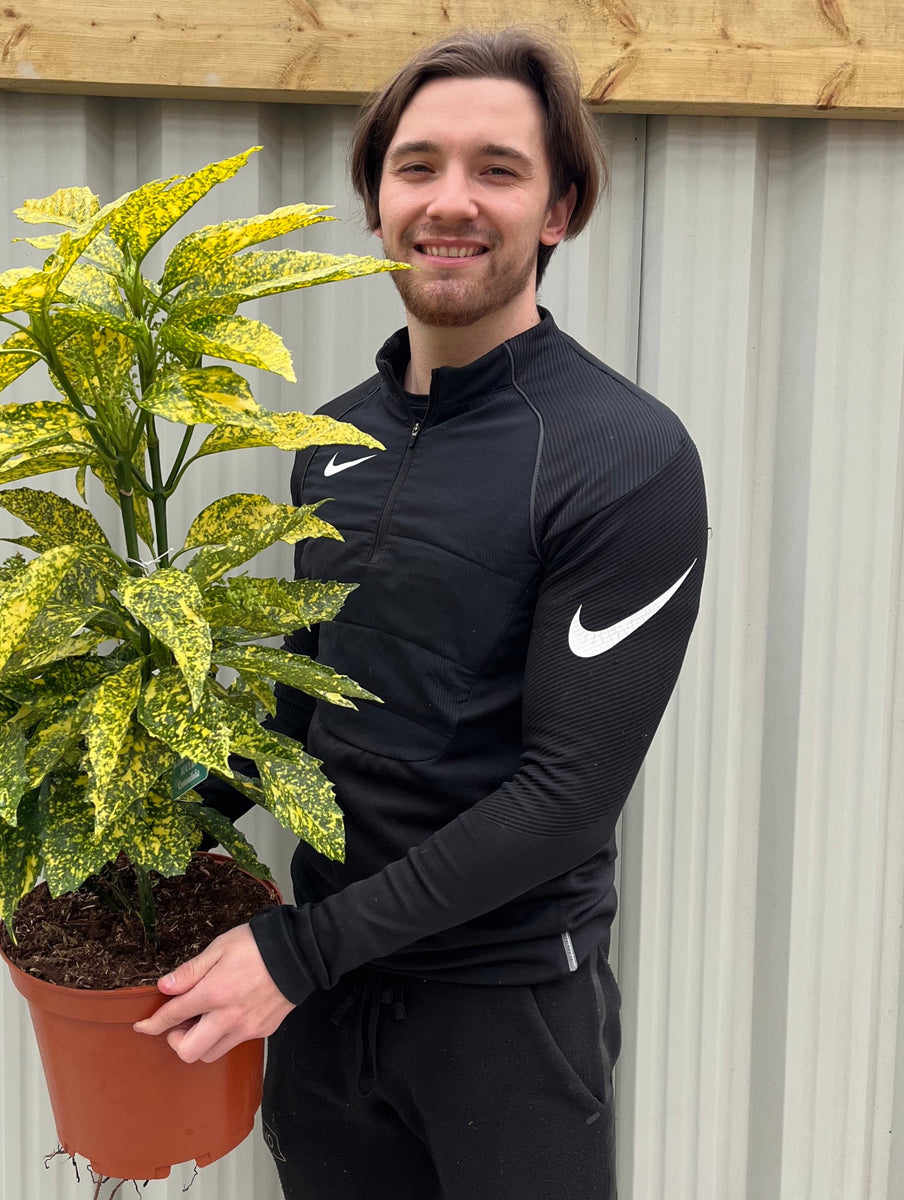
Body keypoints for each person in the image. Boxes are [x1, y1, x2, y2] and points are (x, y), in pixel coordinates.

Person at [135, 26, 707, 1199]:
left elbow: (565, 798)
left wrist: (296, 952)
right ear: (377, 202)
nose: (451, 201)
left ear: (559, 210)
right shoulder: (332, 440)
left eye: (498, 169)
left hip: (508, 1018)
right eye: (418, 166)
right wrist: (141, 829)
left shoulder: (623, 457)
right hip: (329, 1016)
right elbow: (305, 711)